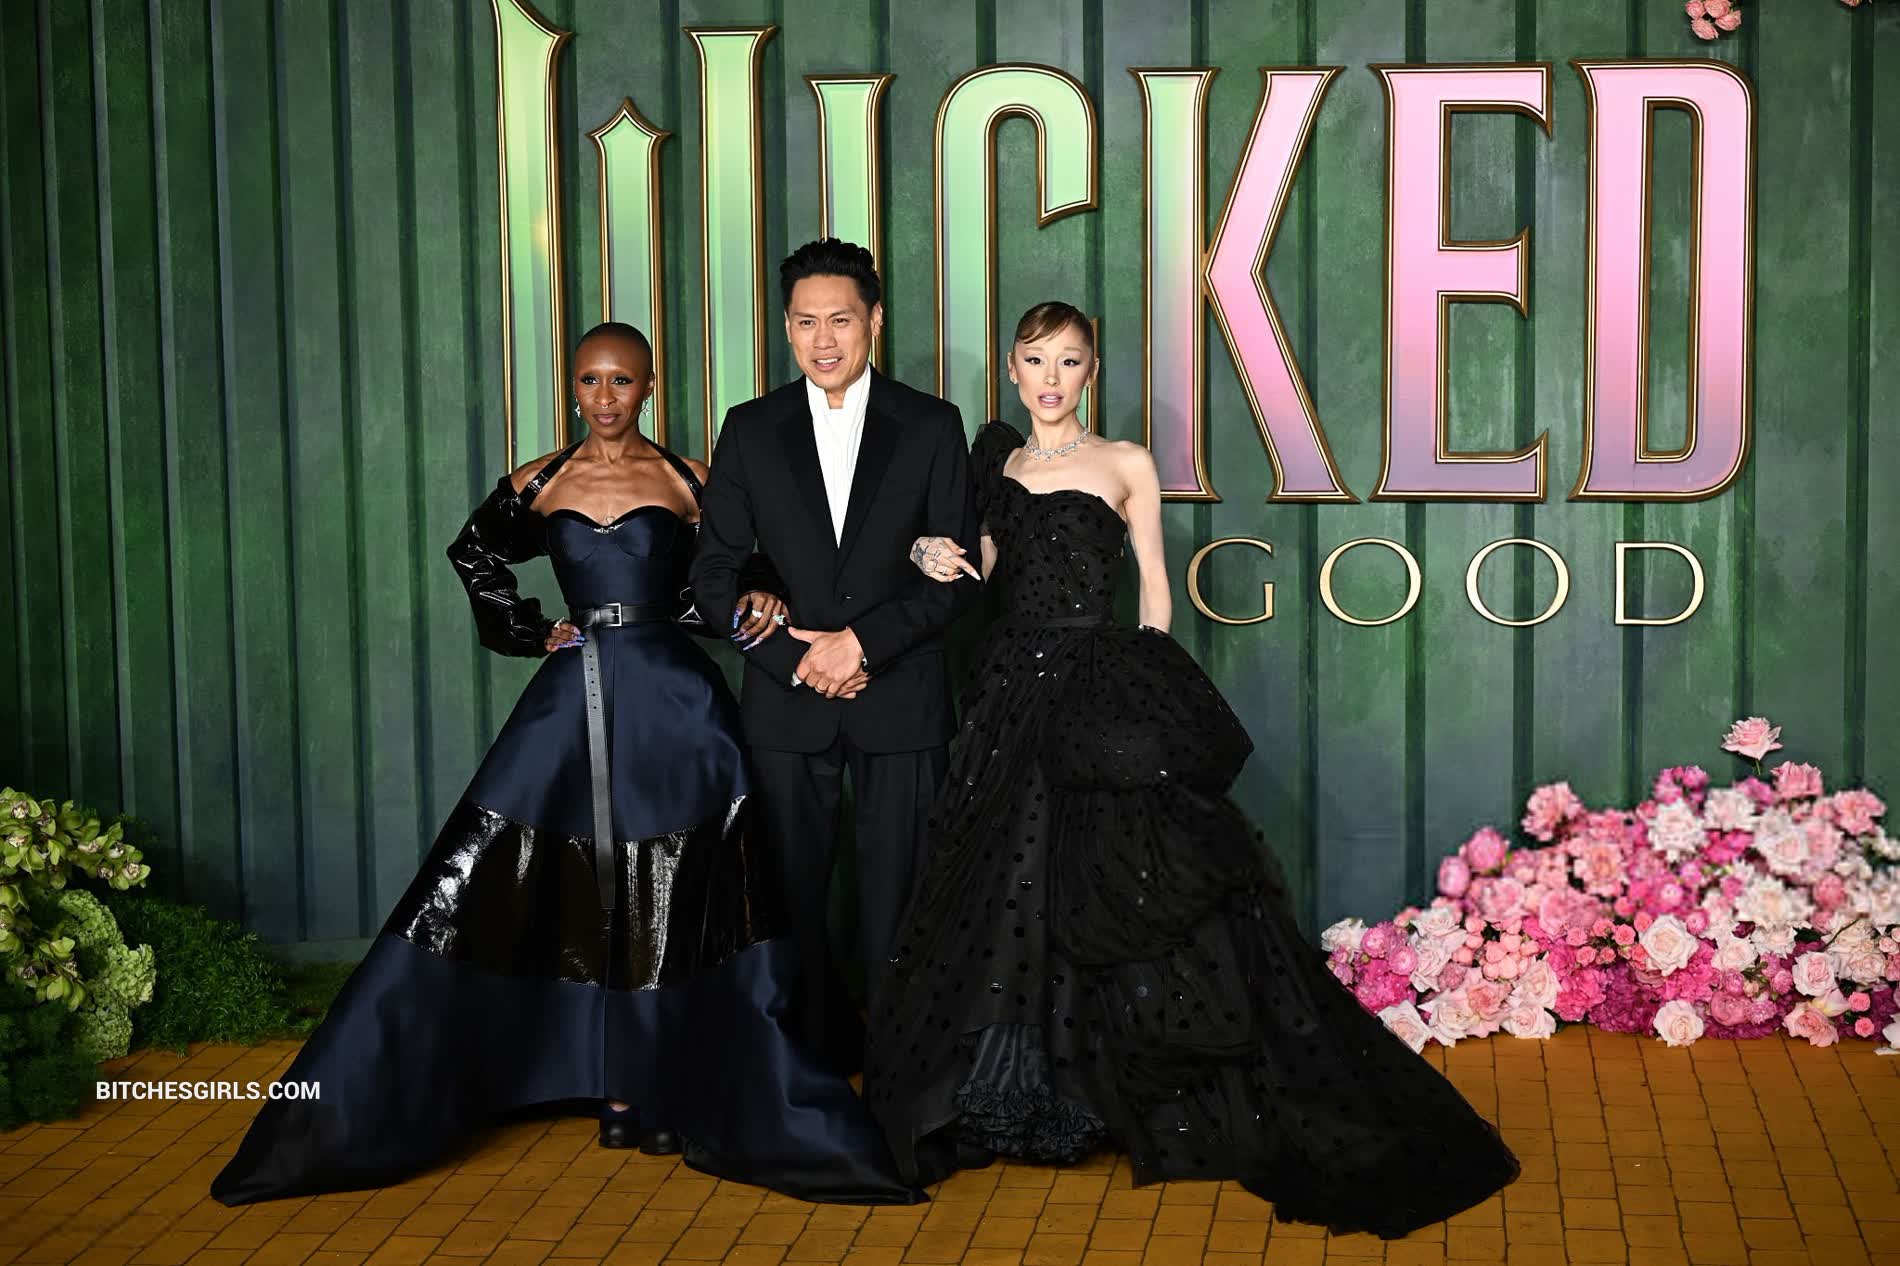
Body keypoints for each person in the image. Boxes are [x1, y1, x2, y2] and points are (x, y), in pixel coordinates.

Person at [211, 323, 921, 1207]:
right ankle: (603, 1081)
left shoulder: (691, 479)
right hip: (571, 697)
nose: (604, 397)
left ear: (649, 387)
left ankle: (663, 1079)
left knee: (676, 884)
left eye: (622, 380)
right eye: (590, 380)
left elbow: (747, 568)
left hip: (673, 702)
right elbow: (472, 555)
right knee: (553, 879)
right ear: (573, 386)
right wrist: (524, 627)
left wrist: (752, 600)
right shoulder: (538, 482)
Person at [868, 302, 1519, 1238]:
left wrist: (1141, 696)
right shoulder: (998, 465)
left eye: (1069, 362)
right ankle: (1012, 1089)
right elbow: (982, 572)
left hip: (1095, 681)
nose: (1051, 378)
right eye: (1036, 361)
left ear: (1092, 371)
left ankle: (1102, 1092)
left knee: (1109, 878)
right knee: (1010, 881)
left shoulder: (1126, 463)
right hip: (1008, 690)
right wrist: (930, 550)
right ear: (1012, 370)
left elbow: (1154, 590)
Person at [689, 239, 981, 1075]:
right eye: (806, 322)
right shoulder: (750, 429)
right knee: (790, 897)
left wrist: (861, 645)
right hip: (787, 703)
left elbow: (955, 577)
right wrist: (793, 658)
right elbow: (713, 576)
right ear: (786, 326)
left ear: (875, 321)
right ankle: (805, 1068)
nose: (824, 339)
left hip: (902, 697)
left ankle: (902, 1072)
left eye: (841, 320)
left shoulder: (932, 425)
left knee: (904, 899)